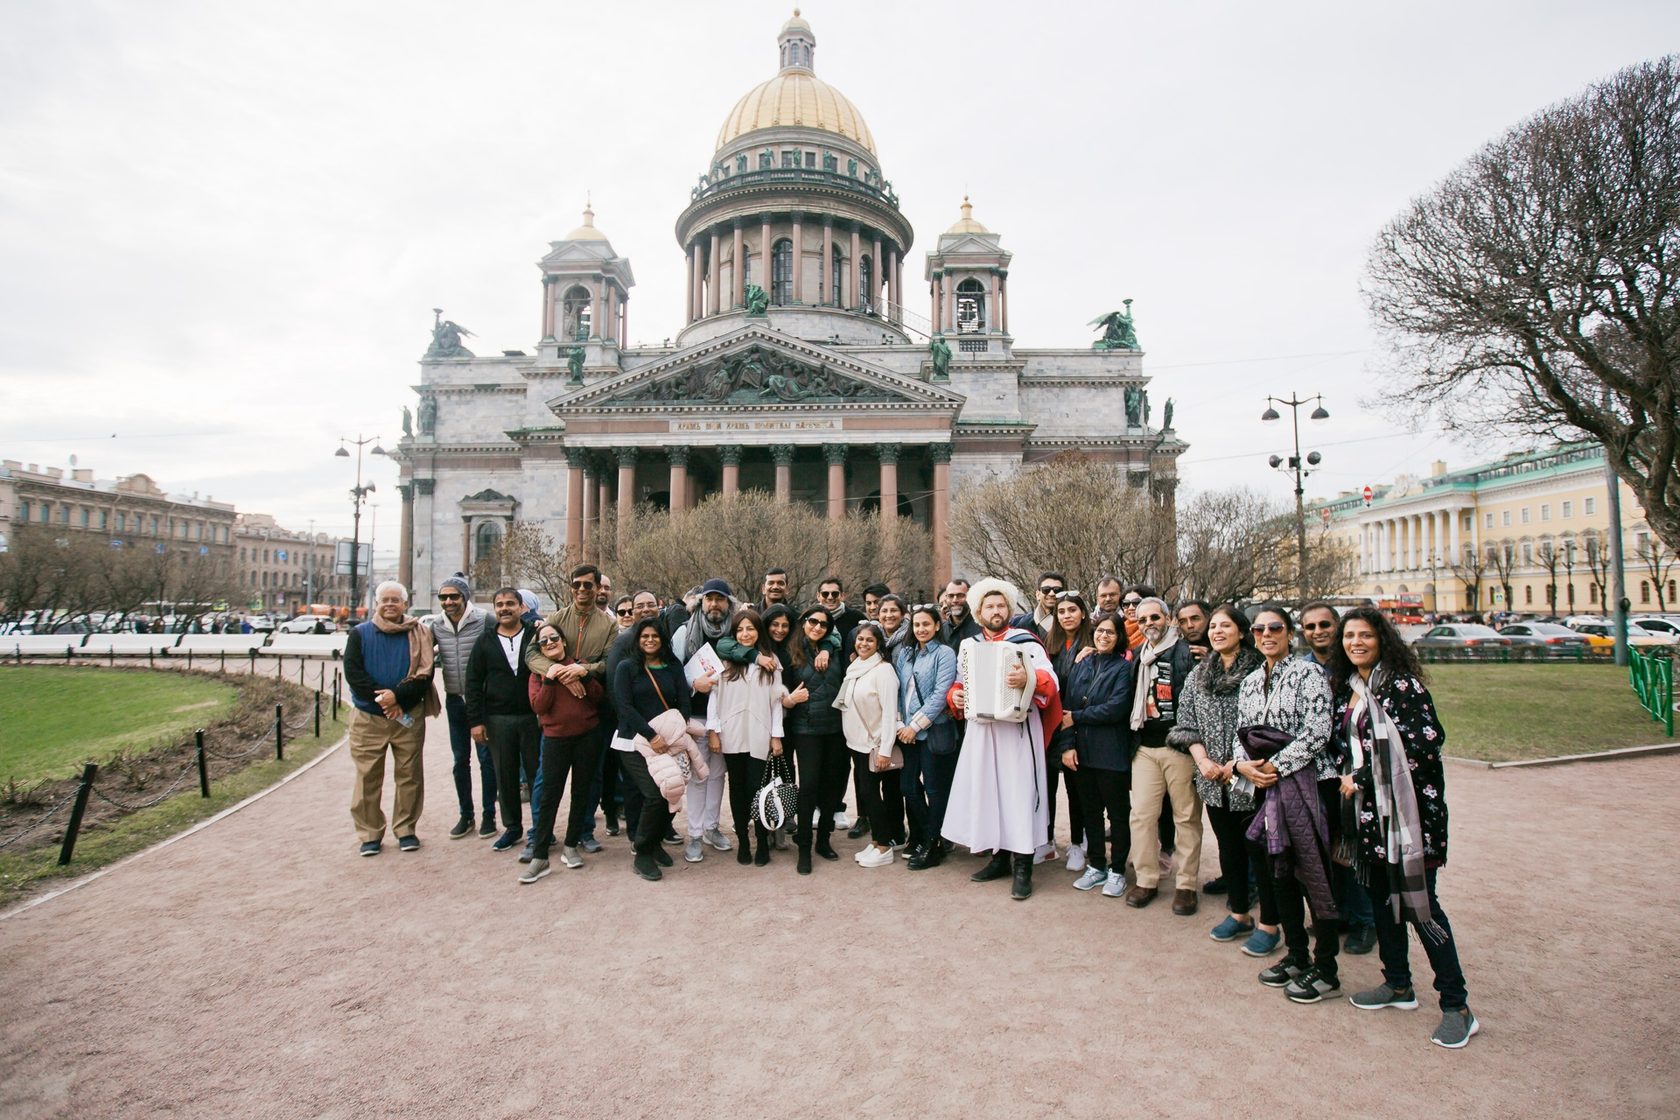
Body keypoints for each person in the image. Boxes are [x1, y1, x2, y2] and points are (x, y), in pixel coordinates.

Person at [1331, 606, 1479, 1048]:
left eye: (1365, 635)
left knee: (1420, 905)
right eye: (1349, 636)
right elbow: (1351, 744)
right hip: (1371, 817)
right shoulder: (1354, 687)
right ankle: (1397, 984)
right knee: (1381, 900)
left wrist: (1357, 779)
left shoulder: (1401, 685)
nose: (1355, 642)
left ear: (1383, 640)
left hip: (1410, 816)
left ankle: (1457, 1005)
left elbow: (1423, 747)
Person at [1234, 605, 1341, 1004]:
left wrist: (1275, 766)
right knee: (1277, 874)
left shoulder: (1308, 673)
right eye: (1259, 629)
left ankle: (1326, 967)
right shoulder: (1249, 682)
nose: (1266, 634)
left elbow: (1317, 732)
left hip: (1309, 783)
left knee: (1311, 872)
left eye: (1274, 627)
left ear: (1289, 632)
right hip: (1264, 786)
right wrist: (1245, 766)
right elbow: (1240, 733)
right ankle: (1296, 954)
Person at [944, 578, 1061, 902]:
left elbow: (1050, 682)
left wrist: (1029, 678)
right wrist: (956, 697)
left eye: (1001, 606)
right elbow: (958, 683)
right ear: (979, 611)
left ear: (1009, 609)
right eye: (989, 606)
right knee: (990, 793)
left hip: (1017, 732)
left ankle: (1023, 864)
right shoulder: (970, 645)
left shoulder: (1027, 642)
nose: (996, 611)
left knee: (1018, 794)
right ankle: (998, 857)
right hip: (983, 731)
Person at [1170, 604, 1269, 946]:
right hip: (1213, 780)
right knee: (1229, 849)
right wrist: (1202, 761)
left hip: (1252, 777)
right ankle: (1240, 914)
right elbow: (1185, 722)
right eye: (1213, 627)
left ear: (1241, 631)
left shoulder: (1260, 672)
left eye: (1225, 626)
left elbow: (1268, 727)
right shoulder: (1200, 675)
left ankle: (1271, 923)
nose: (1216, 632)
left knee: (1260, 850)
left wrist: (1238, 764)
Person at [1297, 600, 1376, 956]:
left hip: (1352, 770)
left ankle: (1365, 919)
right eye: (1310, 627)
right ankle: (1340, 912)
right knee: (1326, 848)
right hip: (1317, 770)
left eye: (1325, 625)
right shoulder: (1302, 668)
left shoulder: (1355, 670)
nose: (1318, 632)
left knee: (1352, 847)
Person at [525, 564, 618, 857]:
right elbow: (532, 653)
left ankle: (583, 832)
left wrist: (582, 670)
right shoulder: (556, 618)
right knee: (546, 781)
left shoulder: (608, 625)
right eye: (576, 585)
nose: (581, 590)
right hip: (556, 714)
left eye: (587, 585)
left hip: (591, 708)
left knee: (589, 779)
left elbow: (607, 663)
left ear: (598, 588)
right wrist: (560, 672)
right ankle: (538, 835)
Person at [342, 581, 438, 856]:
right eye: (385, 600)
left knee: (409, 775)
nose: (390, 604)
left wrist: (398, 698)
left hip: (408, 715)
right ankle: (370, 833)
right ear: (376, 603)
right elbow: (354, 673)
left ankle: (406, 829)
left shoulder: (420, 632)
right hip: (368, 717)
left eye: (396, 600)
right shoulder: (359, 634)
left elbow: (425, 675)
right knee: (367, 776)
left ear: (405, 604)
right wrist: (383, 700)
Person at [1124, 596, 1203, 914]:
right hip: (1144, 747)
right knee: (1141, 815)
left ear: (1168, 619)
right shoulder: (1139, 656)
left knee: (1186, 817)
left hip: (1179, 747)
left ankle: (1186, 885)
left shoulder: (1188, 653)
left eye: (1154, 618)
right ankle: (1146, 878)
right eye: (1142, 620)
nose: (1148, 624)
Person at [1059, 613, 1136, 896]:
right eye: (1100, 631)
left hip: (1111, 752)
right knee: (1090, 813)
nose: (1104, 636)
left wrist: (1078, 717)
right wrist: (1067, 746)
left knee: (1117, 815)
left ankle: (1117, 870)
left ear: (1119, 637)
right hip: (1082, 752)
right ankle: (1097, 865)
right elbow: (1064, 708)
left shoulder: (1123, 668)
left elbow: (1116, 708)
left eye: (1110, 632)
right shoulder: (1082, 663)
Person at [520, 624, 605, 882]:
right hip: (556, 739)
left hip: (587, 737)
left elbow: (598, 698)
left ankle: (571, 844)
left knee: (581, 790)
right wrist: (549, 678)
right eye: (543, 641)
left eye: (553, 638)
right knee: (550, 795)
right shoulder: (538, 673)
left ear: (563, 641)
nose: (549, 643)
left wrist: (584, 676)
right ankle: (540, 854)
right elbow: (539, 706)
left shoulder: (579, 666)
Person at [704, 608, 788, 866]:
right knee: (737, 789)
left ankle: (762, 840)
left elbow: (776, 702)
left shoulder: (770, 661)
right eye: (740, 629)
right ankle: (743, 840)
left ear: (758, 632)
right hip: (732, 733)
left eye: (750, 628)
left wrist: (776, 736)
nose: (745, 634)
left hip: (759, 733)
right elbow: (714, 698)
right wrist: (713, 731)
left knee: (759, 790)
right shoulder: (726, 662)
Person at [613, 618, 693, 881]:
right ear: (637, 639)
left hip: (667, 742)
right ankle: (643, 851)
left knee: (670, 793)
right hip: (634, 742)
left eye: (655, 636)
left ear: (662, 639)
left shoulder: (673, 667)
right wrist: (650, 734)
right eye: (644, 636)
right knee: (654, 794)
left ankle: (656, 841)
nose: (649, 640)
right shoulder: (627, 668)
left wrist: (670, 732)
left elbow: (684, 703)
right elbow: (624, 706)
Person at [421, 573, 496, 840]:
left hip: (483, 700)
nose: (449, 601)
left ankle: (489, 815)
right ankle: (466, 814)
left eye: (454, 596)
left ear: (464, 597)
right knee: (459, 760)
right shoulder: (436, 626)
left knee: (486, 759)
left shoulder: (485, 619)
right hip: (455, 699)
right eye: (443, 597)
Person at [465, 588, 540, 854]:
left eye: (510, 603)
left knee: (537, 775)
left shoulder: (535, 635)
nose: (505, 608)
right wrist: (476, 721)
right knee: (505, 774)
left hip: (533, 718)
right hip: (498, 719)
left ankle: (541, 828)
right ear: (494, 609)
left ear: (521, 607)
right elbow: (473, 684)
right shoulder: (485, 641)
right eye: (500, 604)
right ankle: (512, 827)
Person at [894, 604, 960, 870]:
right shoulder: (906, 654)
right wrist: (901, 724)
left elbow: (939, 695)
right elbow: (899, 691)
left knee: (935, 788)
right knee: (908, 787)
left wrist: (915, 726)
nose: (921, 629)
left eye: (926, 624)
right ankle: (930, 833)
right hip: (907, 732)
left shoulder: (944, 653)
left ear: (936, 626)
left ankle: (933, 843)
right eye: (916, 625)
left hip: (932, 730)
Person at [782, 605, 848, 867]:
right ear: (803, 622)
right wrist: (789, 699)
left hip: (835, 728)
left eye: (823, 624)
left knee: (831, 786)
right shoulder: (790, 653)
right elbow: (781, 691)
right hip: (806, 728)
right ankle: (804, 847)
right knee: (808, 786)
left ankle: (823, 839)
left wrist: (828, 648)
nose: (817, 627)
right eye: (813, 621)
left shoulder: (834, 650)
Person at [672, 578, 732, 863]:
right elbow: (671, 675)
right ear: (701, 601)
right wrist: (694, 683)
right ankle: (694, 834)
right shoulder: (686, 632)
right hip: (696, 716)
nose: (714, 604)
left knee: (718, 775)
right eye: (710, 598)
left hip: (727, 718)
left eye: (720, 599)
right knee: (700, 775)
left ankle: (711, 828)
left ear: (728, 603)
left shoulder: (736, 630)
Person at [837, 622, 903, 870]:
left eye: (869, 641)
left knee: (872, 796)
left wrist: (886, 749)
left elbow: (889, 713)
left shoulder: (883, 671)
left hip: (874, 745)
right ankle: (876, 840)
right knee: (866, 795)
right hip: (856, 743)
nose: (863, 644)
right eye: (860, 639)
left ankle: (884, 845)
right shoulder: (855, 667)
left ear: (878, 644)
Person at [1042, 591, 1094, 870]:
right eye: (1061, 612)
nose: (1066, 616)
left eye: (1072, 610)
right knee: (1047, 786)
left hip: (1076, 724)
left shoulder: (1092, 644)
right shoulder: (1050, 645)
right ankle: (1047, 841)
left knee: (1077, 790)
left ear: (1083, 613)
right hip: (1052, 723)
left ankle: (1077, 843)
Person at [1012, 571, 1065, 638]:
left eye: (1057, 590)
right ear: (1038, 594)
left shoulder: (1071, 623)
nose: (1051, 594)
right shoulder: (1019, 625)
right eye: (1046, 589)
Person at [939, 578, 981, 648]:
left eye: (960, 595)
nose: (955, 600)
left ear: (970, 596)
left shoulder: (982, 627)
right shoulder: (941, 631)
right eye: (951, 596)